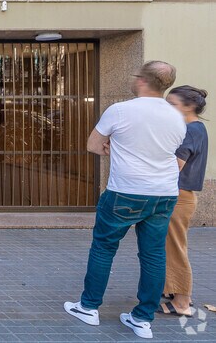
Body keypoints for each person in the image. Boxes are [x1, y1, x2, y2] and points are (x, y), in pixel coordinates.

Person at [65, 61, 187, 339]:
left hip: (126, 190)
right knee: (154, 254)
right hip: (164, 193)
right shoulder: (176, 117)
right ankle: (142, 319)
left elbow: (93, 145)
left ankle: (88, 307)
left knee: (104, 248)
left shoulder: (120, 110)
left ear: (142, 80)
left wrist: (113, 146)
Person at [160, 86, 209, 317]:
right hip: (182, 196)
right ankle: (173, 291)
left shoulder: (190, 130)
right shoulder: (197, 128)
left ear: (188, 107)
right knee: (172, 246)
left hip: (179, 196)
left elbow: (175, 166)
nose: (166, 108)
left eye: (172, 104)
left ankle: (182, 301)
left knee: (175, 248)